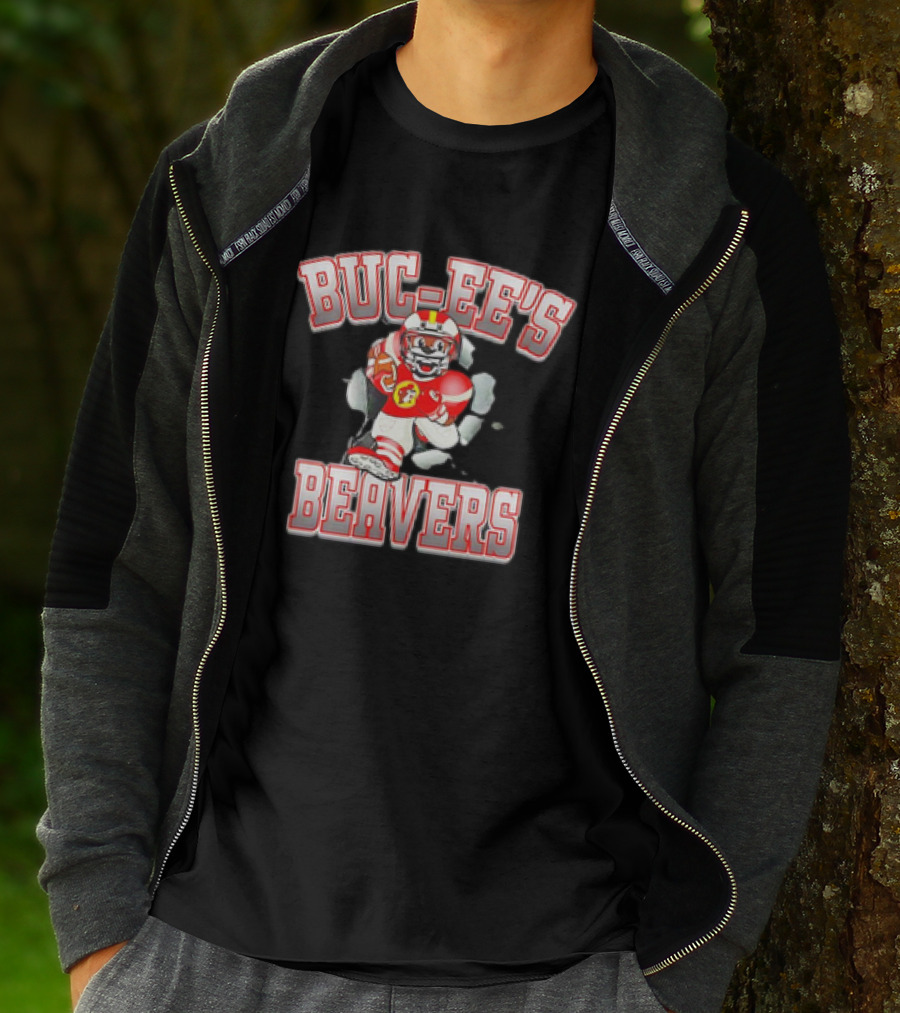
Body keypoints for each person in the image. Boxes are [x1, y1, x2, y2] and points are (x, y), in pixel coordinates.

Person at [36, 0, 849, 1011]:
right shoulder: (230, 181)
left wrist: (680, 971)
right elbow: (114, 570)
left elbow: (781, 630)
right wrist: (102, 927)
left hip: (566, 974)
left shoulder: (720, 230)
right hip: (206, 956)